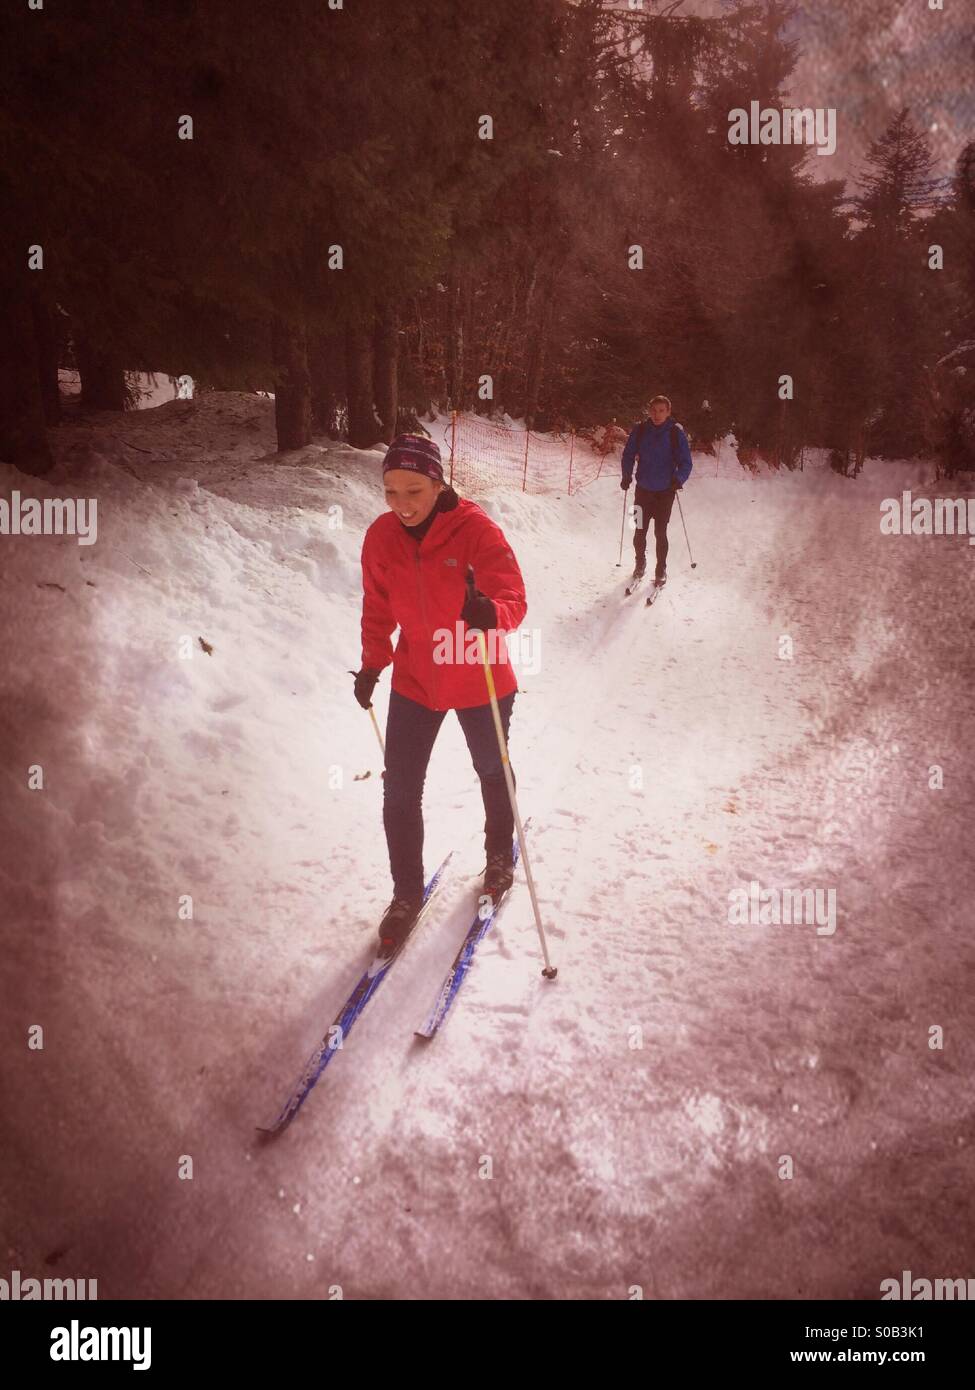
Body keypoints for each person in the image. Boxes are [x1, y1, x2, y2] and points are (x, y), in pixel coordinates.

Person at [353, 433, 528, 956]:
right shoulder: (381, 537)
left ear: (438, 483)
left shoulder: (475, 530)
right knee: (400, 789)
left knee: (491, 768)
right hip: (416, 679)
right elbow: (377, 606)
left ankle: (500, 853)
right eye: (390, 492)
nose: (402, 505)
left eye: (414, 491)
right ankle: (406, 892)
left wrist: (490, 612)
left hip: (478, 673)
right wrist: (371, 664)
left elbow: (514, 595)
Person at [620, 394, 693, 585]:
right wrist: (626, 475)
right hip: (642, 490)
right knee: (639, 530)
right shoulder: (641, 430)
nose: (657, 414)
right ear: (648, 411)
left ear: (668, 412)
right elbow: (628, 454)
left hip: (665, 492)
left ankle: (661, 569)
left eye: (661, 410)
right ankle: (640, 563)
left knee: (660, 533)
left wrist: (679, 479)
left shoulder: (675, 433)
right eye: (653, 410)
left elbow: (686, 462)